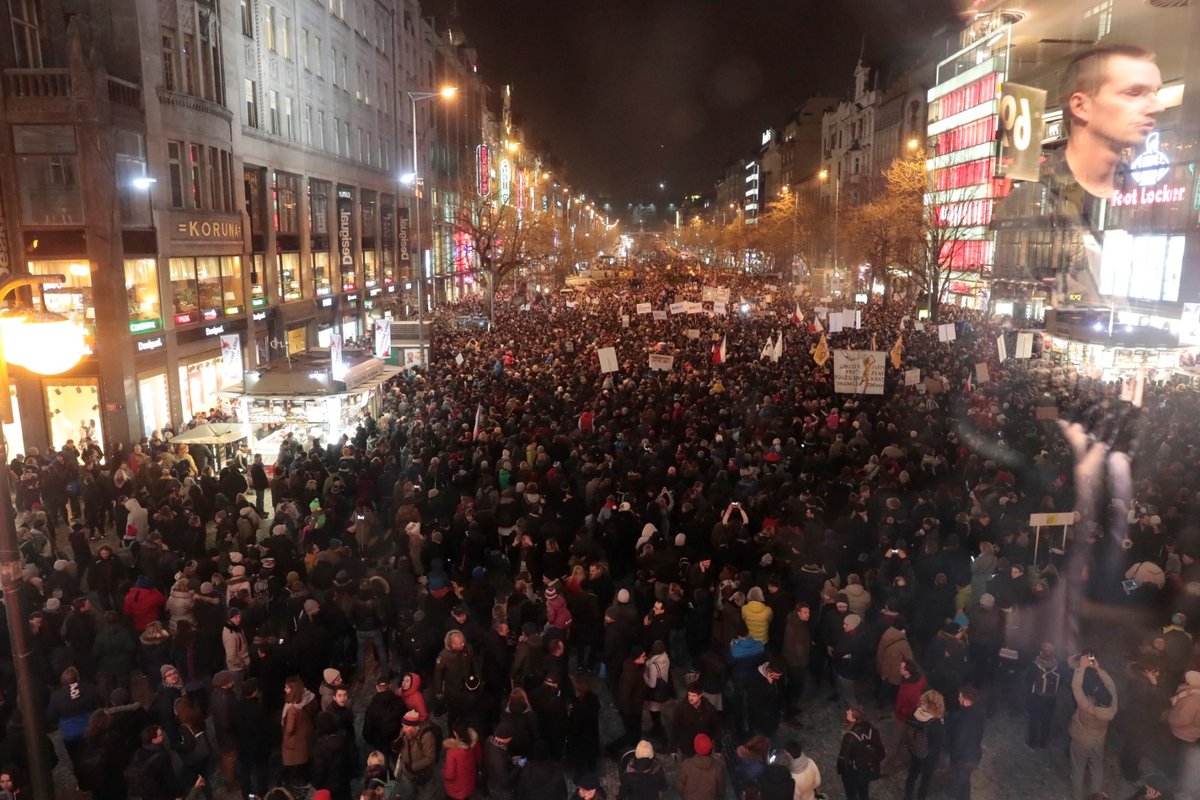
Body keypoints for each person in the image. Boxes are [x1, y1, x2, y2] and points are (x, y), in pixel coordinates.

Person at [1069, 653, 1118, 800]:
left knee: (1078, 770)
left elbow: (1076, 687)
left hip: (1081, 740)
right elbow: (1112, 687)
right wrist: (1099, 670)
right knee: (1097, 769)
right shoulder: (1112, 708)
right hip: (1099, 741)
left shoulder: (1087, 707)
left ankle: (1077, 796)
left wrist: (1082, 668)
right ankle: (1096, 797)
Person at [904, 689, 946, 800]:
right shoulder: (936, 723)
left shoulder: (916, 713)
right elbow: (938, 743)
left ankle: (907, 796)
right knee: (925, 780)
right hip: (929, 756)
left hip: (915, 750)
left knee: (912, 774)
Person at [836, 705, 883, 800]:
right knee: (863, 791)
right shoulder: (871, 730)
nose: (846, 712)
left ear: (854, 719)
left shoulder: (850, 737)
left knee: (851, 792)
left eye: (849, 712)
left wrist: (842, 770)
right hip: (867, 769)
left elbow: (844, 757)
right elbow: (881, 752)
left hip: (854, 771)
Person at [948, 687, 986, 800]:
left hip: (964, 759)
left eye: (960, 697)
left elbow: (959, 741)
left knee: (958, 785)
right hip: (975, 755)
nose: (958, 699)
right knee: (965, 782)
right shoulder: (980, 711)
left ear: (966, 700)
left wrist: (953, 759)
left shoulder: (964, 718)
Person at [677, 733, 724, 800]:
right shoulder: (717, 767)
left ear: (696, 748)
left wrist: (685, 796)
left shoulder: (686, 764)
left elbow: (680, 786)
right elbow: (721, 791)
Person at [441, 721, 480, 800]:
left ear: (455, 733)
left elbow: (449, 775)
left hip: (455, 790)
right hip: (468, 786)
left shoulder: (452, 752)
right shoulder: (475, 745)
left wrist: (443, 771)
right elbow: (478, 758)